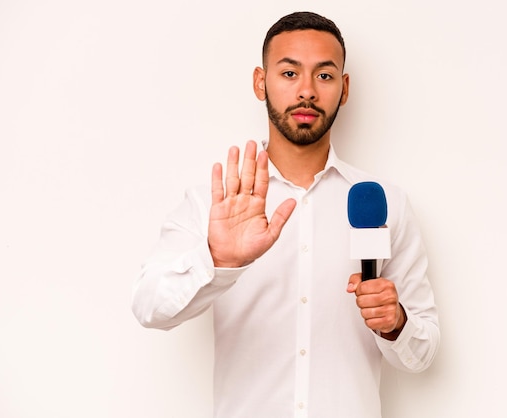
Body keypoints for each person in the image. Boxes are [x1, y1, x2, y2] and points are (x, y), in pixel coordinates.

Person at [132, 11, 440, 418]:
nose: (307, 91)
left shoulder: (384, 204)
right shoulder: (215, 202)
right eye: (290, 73)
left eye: (325, 76)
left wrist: (396, 323)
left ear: (344, 89)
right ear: (261, 82)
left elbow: (423, 354)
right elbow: (148, 308)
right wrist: (218, 261)